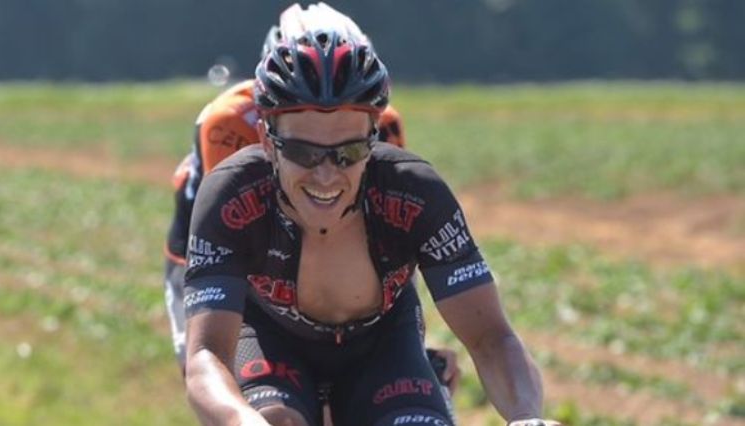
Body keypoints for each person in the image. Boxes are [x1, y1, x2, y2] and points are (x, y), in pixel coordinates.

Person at [183, 3, 556, 426]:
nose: (326, 175)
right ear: (268, 142)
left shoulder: (414, 193)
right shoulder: (232, 196)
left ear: (374, 139)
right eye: (303, 152)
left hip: (382, 345)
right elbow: (206, 355)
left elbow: (491, 337)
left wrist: (526, 417)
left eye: (349, 153)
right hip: (270, 341)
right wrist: (240, 420)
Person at [161, 10, 462, 412]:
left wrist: (408, 346)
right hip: (214, 250)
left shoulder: (384, 124)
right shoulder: (228, 123)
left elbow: (387, 245)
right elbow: (232, 240)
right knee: (215, 378)